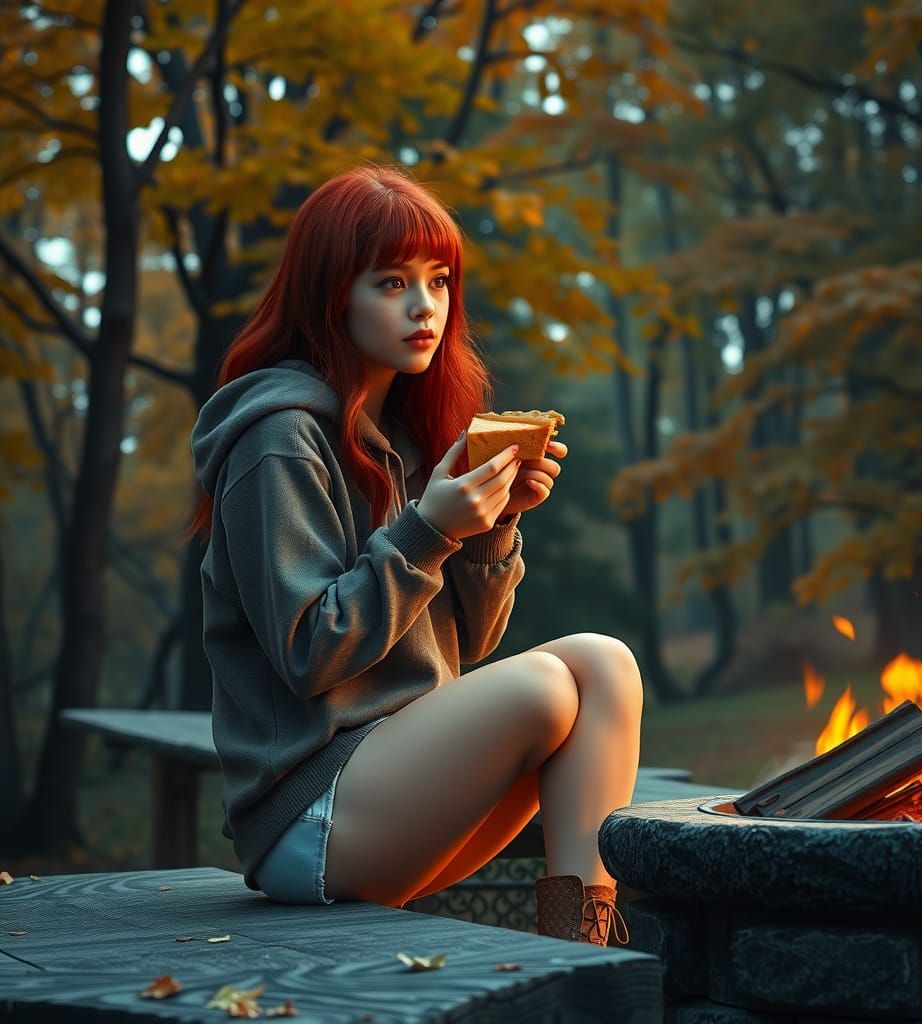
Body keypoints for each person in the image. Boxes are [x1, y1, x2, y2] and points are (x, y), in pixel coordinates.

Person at [189, 165, 642, 946]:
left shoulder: (402, 434)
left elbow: (466, 649)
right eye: (391, 283)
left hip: (397, 782)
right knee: (544, 687)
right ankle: (585, 958)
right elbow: (308, 654)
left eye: (437, 281)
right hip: (310, 821)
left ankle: (589, 948)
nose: (423, 307)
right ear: (331, 295)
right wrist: (429, 531)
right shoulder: (278, 439)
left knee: (606, 663)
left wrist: (494, 527)